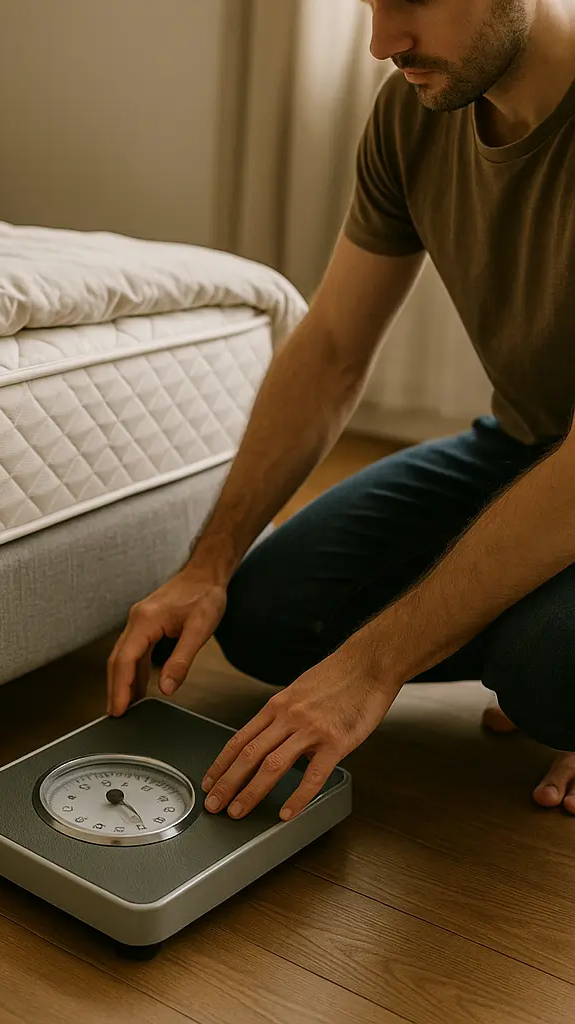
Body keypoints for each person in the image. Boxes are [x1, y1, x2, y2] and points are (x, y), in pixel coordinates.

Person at [106, 0, 575, 824]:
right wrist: (208, 563)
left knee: (549, 674)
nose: (381, 43)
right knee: (266, 618)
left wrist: (374, 666)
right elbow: (331, 349)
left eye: (414, 2)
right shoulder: (415, 109)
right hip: (525, 445)